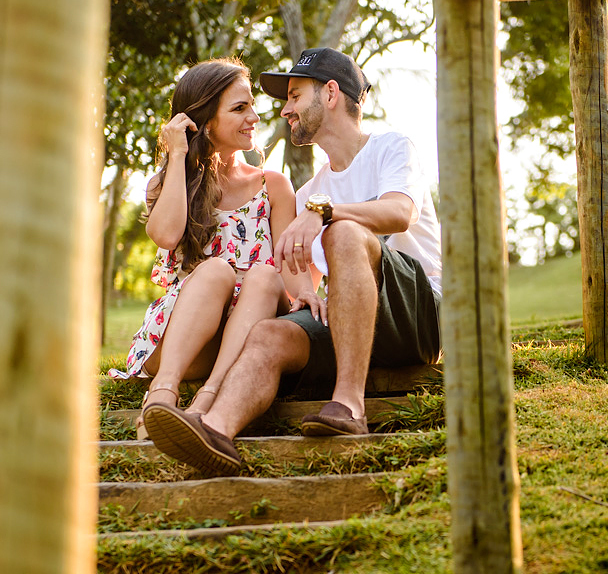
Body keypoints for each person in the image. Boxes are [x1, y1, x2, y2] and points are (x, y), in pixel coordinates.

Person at [142, 47, 442, 477]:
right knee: (269, 335)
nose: (283, 111)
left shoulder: (389, 148)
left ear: (331, 94)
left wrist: (326, 213)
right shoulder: (307, 196)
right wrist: (302, 300)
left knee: (344, 233)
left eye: (295, 96)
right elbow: (306, 280)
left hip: (416, 315)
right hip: (354, 327)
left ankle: (349, 405)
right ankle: (212, 431)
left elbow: (399, 212)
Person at [112, 58, 323, 432]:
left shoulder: (272, 185)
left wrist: (306, 293)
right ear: (206, 121)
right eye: (240, 108)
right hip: (186, 340)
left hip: (245, 336)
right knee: (216, 270)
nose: (255, 117)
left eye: (252, 105)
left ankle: (207, 400)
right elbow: (165, 236)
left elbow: (288, 267)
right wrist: (177, 154)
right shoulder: (171, 182)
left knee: (262, 274)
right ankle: (161, 395)